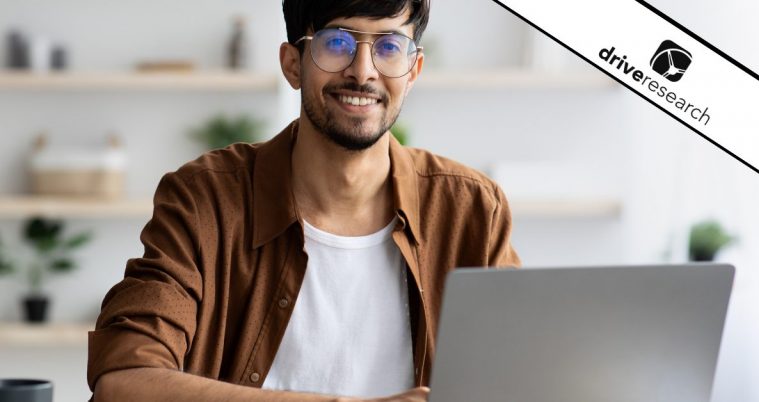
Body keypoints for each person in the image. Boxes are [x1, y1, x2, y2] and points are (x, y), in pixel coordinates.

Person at [88, 1, 521, 401]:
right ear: (292, 65)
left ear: (413, 70)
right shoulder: (206, 200)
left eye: (389, 46)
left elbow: (522, 376)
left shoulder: (473, 209)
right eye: (337, 42)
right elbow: (124, 379)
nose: (363, 71)